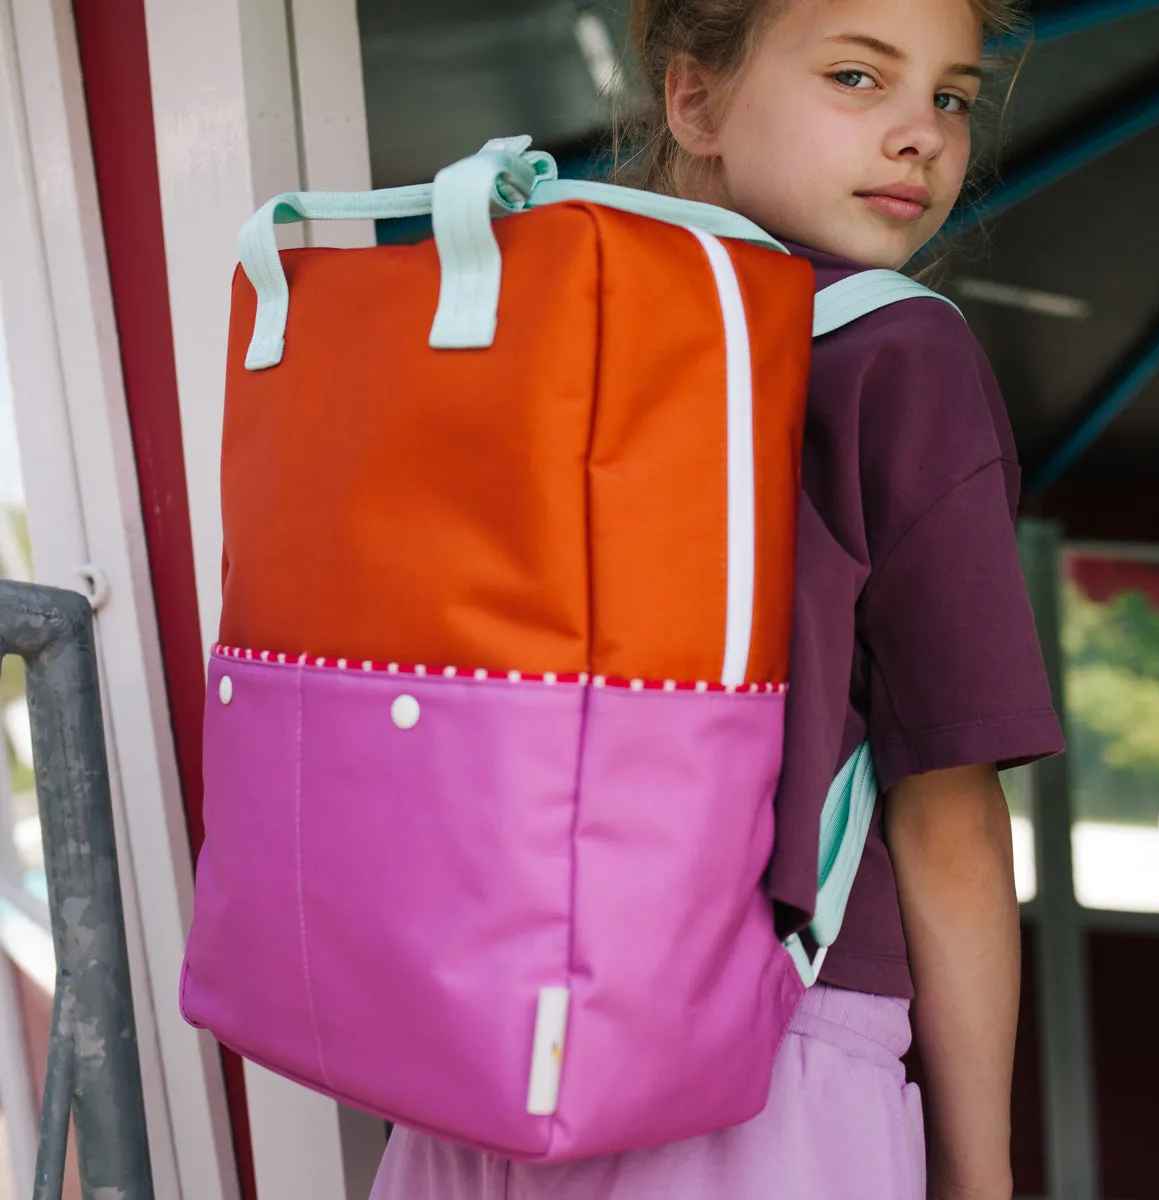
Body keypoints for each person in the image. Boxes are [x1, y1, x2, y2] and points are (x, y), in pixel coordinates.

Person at [371, 0, 1063, 1195]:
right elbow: (945, 818)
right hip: (764, 1070)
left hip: (477, 1046)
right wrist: (981, 1174)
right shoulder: (898, 358)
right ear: (692, 99)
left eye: (951, 97)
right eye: (859, 77)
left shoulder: (527, 328)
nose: (921, 135)